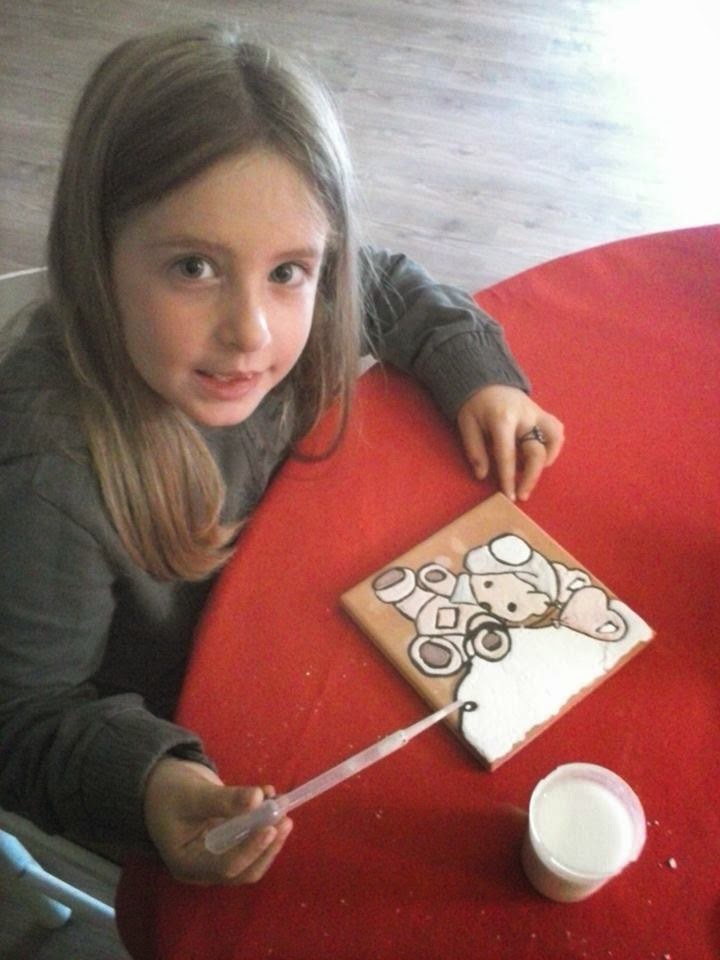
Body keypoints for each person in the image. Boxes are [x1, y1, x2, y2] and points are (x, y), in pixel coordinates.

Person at [0, 24, 563, 886]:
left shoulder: (288, 305)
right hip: (184, 726)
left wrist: (478, 376)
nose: (252, 332)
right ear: (95, 255)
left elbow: (388, 284)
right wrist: (150, 784)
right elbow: (25, 719)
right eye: (194, 267)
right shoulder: (52, 478)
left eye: (288, 272)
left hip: (296, 604)